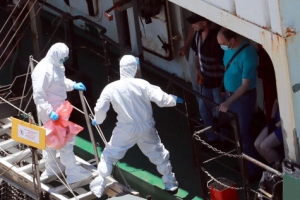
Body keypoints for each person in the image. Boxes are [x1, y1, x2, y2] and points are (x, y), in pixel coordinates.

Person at [89, 55, 184, 197]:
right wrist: (175, 100)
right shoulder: (143, 84)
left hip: (125, 128)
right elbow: (162, 99)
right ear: (134, 68)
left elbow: (101, 109)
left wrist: (98, 119)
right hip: (146, 127)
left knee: (108, 155)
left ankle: (100, 183)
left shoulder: (111, 88)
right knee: (158, 153)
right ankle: (170, 184)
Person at [31, 42, 91, 183]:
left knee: (51, 139)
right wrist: (49, 111)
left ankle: (52, 168)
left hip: (59, 109)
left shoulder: (56, 65)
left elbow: (61, 81)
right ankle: (72, 171)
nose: (64, 60)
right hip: (51, 112)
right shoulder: (43, 70)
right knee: (66, 141)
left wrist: (72, 85)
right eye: (62, 58)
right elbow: (38, 95)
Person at [217, 28, 261, 180]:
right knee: (237, 132)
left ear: (232, 41)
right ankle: (245, 164)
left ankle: (254, 169)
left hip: (243, 100)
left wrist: (228, 102)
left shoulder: (248, 55)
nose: (221, 46)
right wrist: (225, 92)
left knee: (243, 133)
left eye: (222, 44)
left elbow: (245, 85)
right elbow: (227, 70)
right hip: (231, 96)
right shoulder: (228, 49)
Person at [188, 13, 224, 143]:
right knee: (204, 109)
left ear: (204, 23)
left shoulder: (216, 38)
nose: (193, 26)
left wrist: (223, 85)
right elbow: (197, 54)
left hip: (218, 81)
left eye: (195, 23)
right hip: (205, 80)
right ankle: (212, 137)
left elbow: (224, 60)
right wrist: (197, 69)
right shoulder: (197, 36)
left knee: (221, 111)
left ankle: (224, 138)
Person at [254, 99, 283, 166]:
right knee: (257, 144)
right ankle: (273, 166)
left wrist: (276, 126)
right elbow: (276, 102)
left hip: (285, 125)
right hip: (275, 121)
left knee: (264, 146)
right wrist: (272, 119)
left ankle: (279, 168)